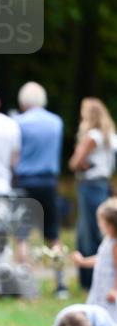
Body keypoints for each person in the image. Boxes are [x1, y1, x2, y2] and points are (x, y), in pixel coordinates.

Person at [12, 81, 67, 297]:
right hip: (49, 181)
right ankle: (60, 284)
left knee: (21, 235)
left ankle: (25, 286)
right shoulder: (56, 122)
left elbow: (15, 154)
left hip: (25, 181)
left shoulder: (19, 122)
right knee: (53, 234)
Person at [69, 97, 117, 290]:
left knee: (88, 232)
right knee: (105, 229)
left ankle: (88, 279)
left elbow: (74, 162)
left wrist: (81, 160)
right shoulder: (111, 136)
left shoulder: (92, 137)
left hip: (89, 185)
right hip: (104, 183)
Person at [73, 197, 117, 323]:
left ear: (111, 225)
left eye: (101, 221)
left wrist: (115, 289)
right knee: (94, 315)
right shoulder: (107, 240)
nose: (99, 224)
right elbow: (101, 259)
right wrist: (83, 261)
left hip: (108, 289)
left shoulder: (115, 244)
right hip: (99, 288)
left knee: (109, 317)